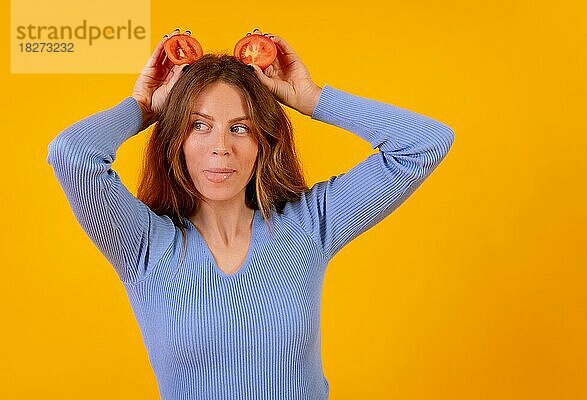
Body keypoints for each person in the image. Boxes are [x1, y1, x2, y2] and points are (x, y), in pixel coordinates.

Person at [47, 27, 454, 400]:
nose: (221, 146)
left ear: (264, 142)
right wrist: (141, 107)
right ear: (176, 141)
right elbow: (72, 155)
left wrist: (312, 99)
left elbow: (424, 143)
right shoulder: (143, 245)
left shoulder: (309, 225)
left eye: (240, 128)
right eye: (199, 126)